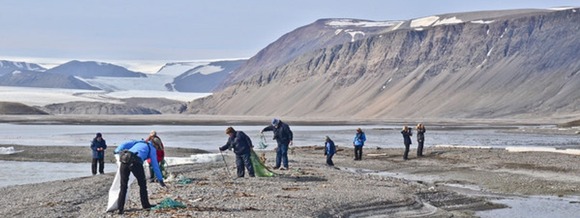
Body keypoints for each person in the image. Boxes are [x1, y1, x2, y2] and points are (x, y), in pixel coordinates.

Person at [114, 140, 166, 215]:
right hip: (135, 162)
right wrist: (160, 179)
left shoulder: (138, 142)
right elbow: (155, 165)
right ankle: (146, 205)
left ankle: (120, 208)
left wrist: (116, 151)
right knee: (142, 184)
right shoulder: (151, 148)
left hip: (124, 160)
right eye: (158, 147)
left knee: (123, 185)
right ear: (156, 145)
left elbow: (124, 144)